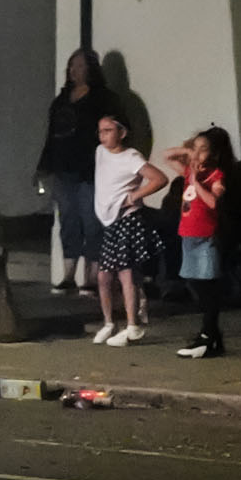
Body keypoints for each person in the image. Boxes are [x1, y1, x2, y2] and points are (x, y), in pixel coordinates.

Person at [36, 48, 112, 293]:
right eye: (71, 66)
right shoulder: (61, 101)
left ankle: (90, 276)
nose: (74, 71)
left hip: (91, 170)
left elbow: (117, 130)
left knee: (92, 221)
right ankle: (69, 274)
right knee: (68, 220)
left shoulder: (103, 100)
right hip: (64, 169)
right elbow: (52, 136)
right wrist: (43, 166)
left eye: (79, 66)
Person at [90, 113, 165, 345]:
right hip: (109, 220)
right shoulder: (100, 152)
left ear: (121, 133)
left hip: (127, 219)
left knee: (126, 273)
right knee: (103, 277)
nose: (103, 136)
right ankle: (109, 322)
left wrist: (134, 196)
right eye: (100, 131)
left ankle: (132, 325)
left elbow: (159, 178)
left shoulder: (131, 157)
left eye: (108, 131)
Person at [163, 126, 238, 359]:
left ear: (214, 154)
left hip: (206, 237)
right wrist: (191, 151)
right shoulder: (188, 171)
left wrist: (196, 181)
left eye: (204, 150)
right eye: (194, 148)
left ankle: (208, 335)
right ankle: (212, 337)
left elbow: (214, 203)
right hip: (188, 235)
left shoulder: (216, 176)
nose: (197, 154)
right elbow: (167, 155)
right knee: (194, 282)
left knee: (208, 286)